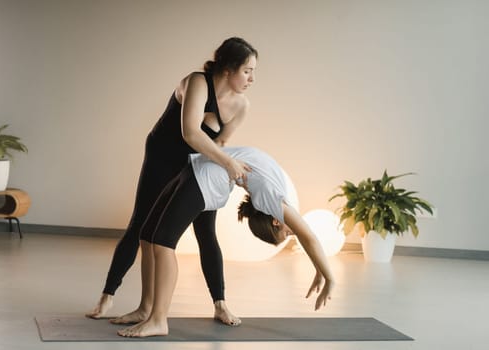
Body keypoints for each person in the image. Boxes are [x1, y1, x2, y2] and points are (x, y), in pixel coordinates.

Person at [86, 37, 258, 326]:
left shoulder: (241, 105)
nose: (252, 78)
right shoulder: (197, 82)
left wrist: (222, 171)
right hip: (163, 158)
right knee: (140, 225)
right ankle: (108, 296)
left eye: (254, 71)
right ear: (228, 68)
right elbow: (191, 132)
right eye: (247, 70)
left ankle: (220, 304)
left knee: (206, 232)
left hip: (197, 165)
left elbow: (221, 142)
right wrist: (228, 163)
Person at [117, 146, 335, 338]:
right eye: (288, 234)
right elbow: (309, 237)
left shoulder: (271, 198)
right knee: (149, 235)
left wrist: (319, 269)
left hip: (206, 174)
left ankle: (158, 318)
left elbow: (307, 238)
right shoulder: (274, 198)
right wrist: (327, 276)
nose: (293, 232)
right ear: (276, 221)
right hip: (201, 169)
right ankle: (149, 312)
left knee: (163, 242)